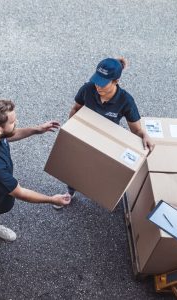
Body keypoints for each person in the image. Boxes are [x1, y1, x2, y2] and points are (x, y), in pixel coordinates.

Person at [0, 99, 71, 267]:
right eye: (12, 122)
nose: (16, 123)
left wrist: (36, 129)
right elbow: (20, 192)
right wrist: (52, 199)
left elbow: (9, 135)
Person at [54, 57, 155, 209]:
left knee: (101, 170)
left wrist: (145, 135)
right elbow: (76, 108)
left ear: (116, 81)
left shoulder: (126, 100)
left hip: (107, 141)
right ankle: (70, 191)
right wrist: (71, 130)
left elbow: (136, 130)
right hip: (85, 136)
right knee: (76, 166)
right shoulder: (88, 89)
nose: (97, 86)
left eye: (103, 83)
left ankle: (102, 194)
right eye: (96, 80)